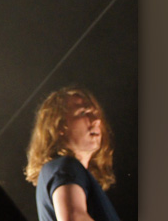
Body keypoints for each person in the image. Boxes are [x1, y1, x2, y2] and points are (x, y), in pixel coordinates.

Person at [25, 86, 120, 221]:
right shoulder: (65, 166)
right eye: (83, 113)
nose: (97, 120)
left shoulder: (62, 170)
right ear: (59, 125)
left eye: (96, 114)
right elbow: (74, 218)